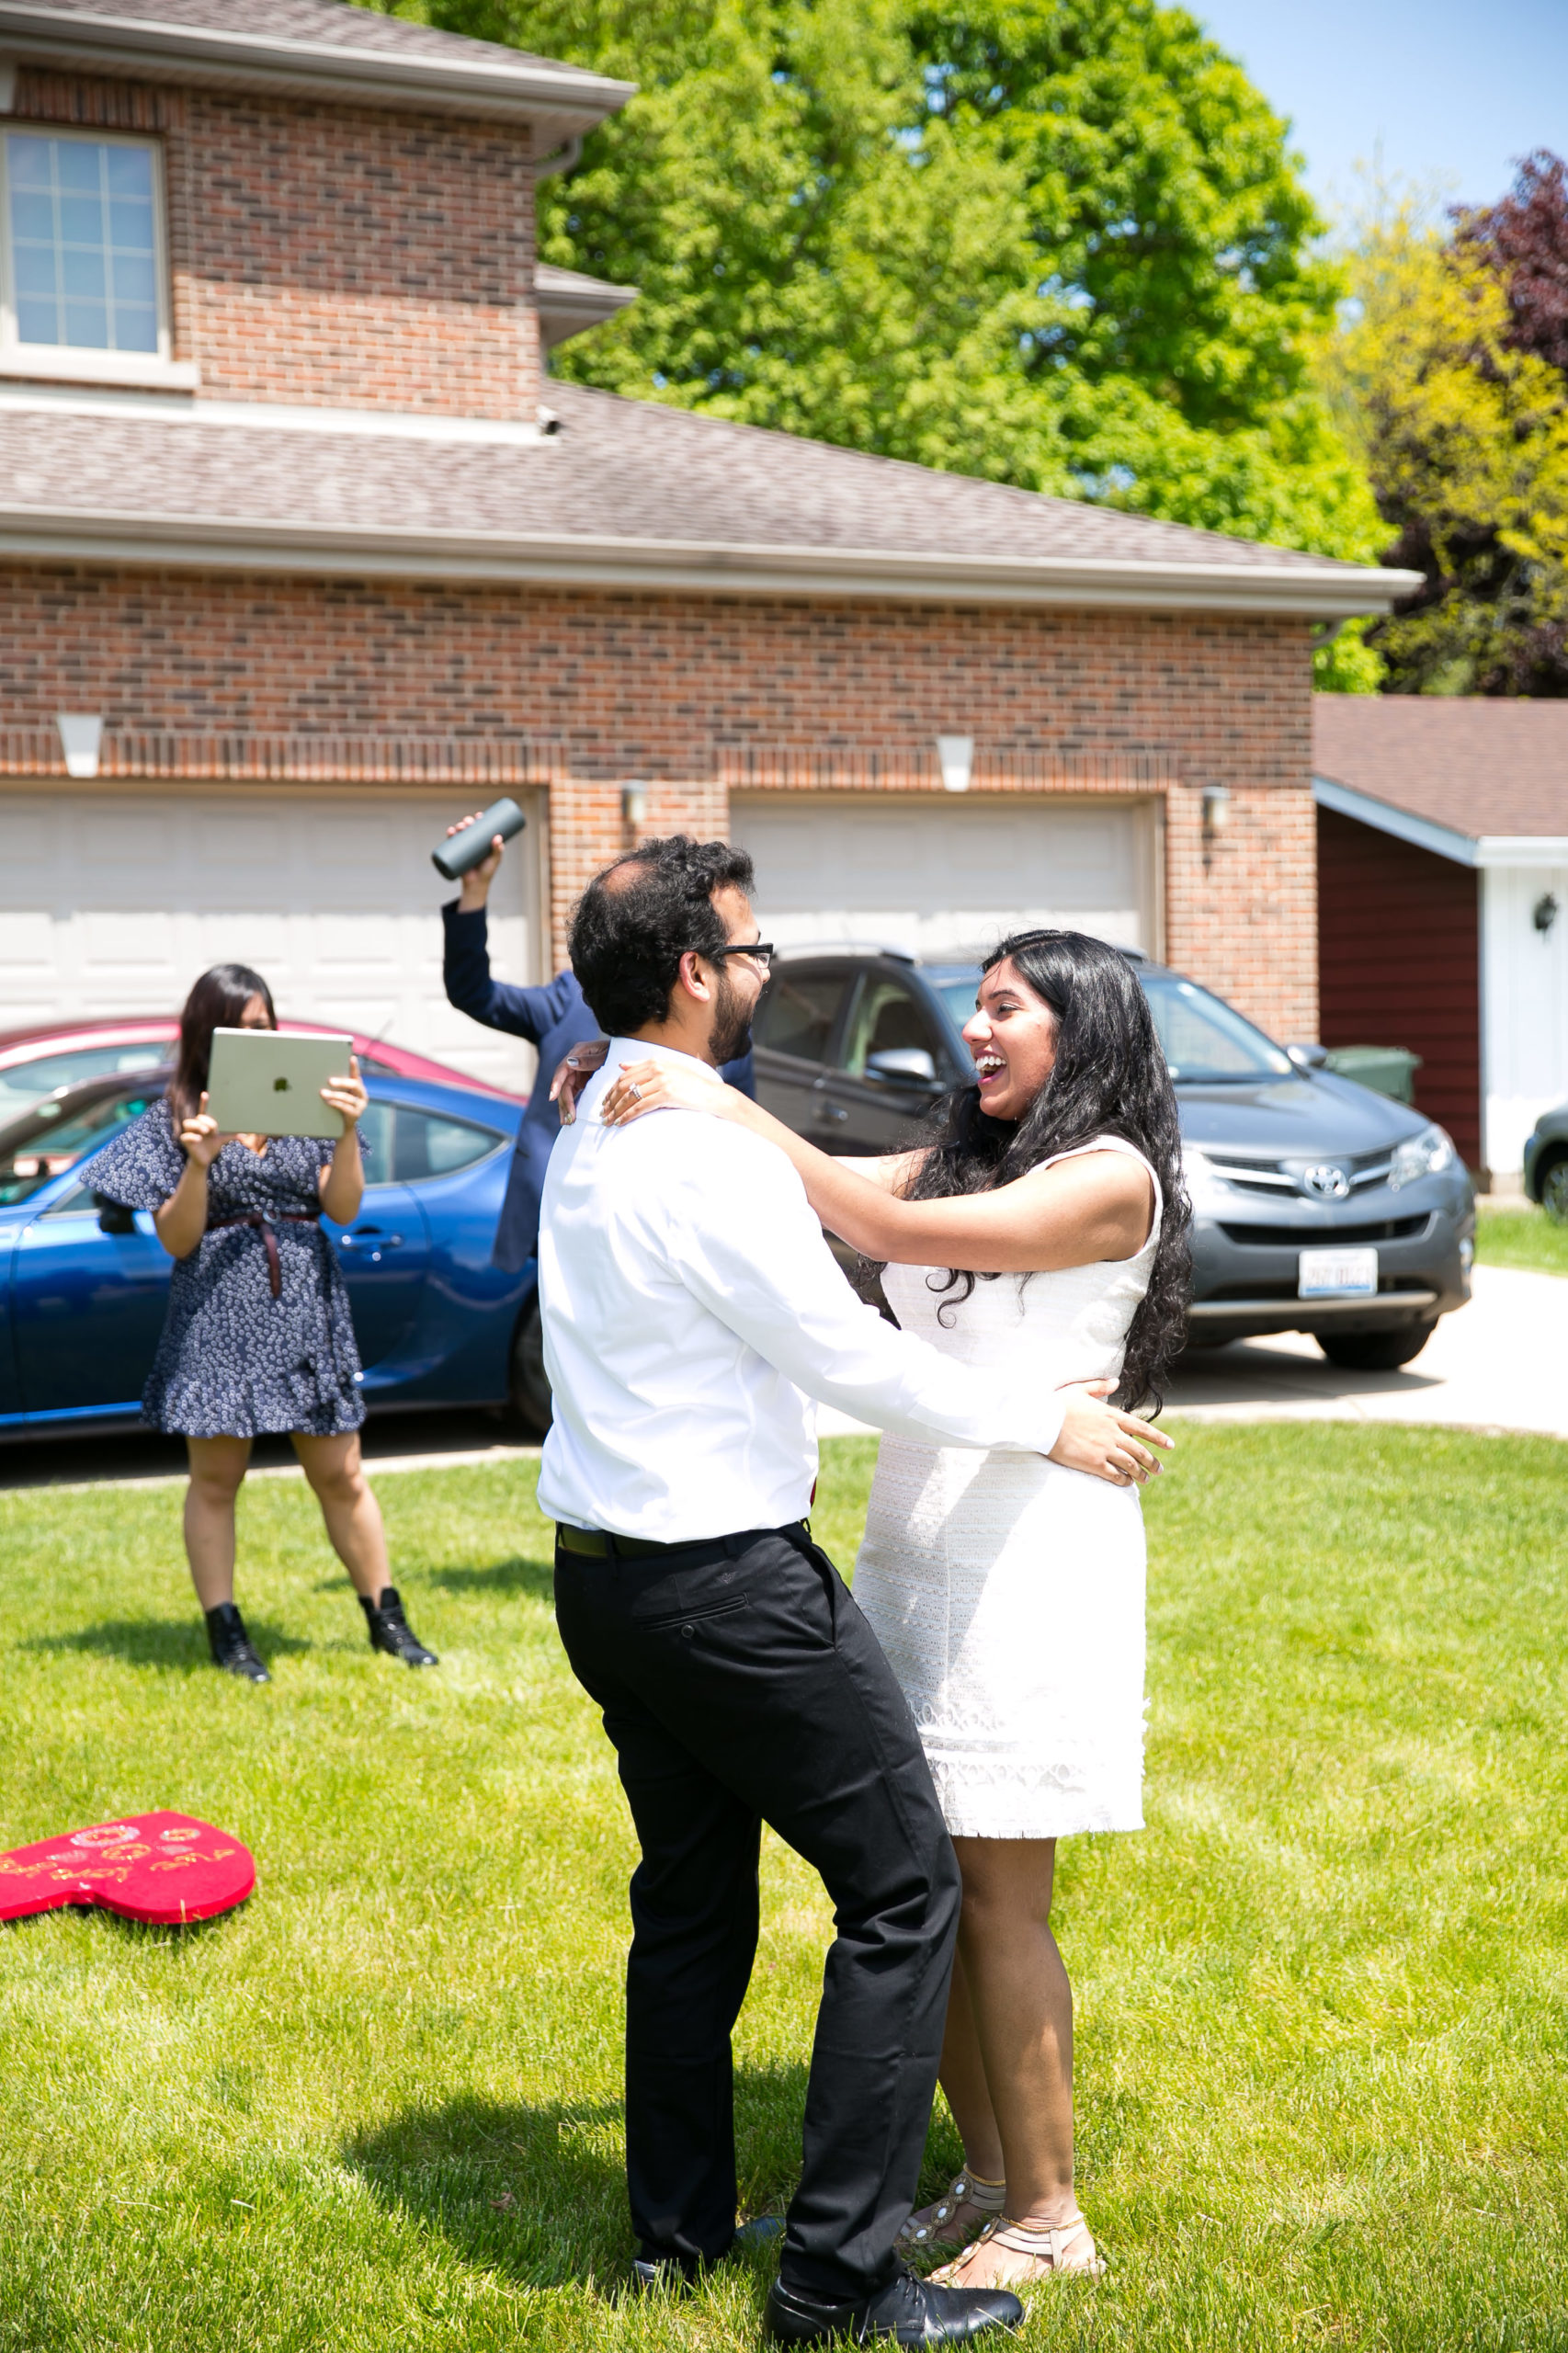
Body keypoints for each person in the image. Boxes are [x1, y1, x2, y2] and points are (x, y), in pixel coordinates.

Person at [536, 840, 1169, 2348]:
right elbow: (848, 1344)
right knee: (903, 1890)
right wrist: (1042, 1418)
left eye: (1012, 1001)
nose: (766, 975)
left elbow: (843, 1235)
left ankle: (678, 2241)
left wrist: (705, 1098)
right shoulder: (674, 1133)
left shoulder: (609, 1121)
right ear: (696, 973)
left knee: (691, 1909)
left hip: (612, 1582)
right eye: (752, 956)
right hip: (729, 1589)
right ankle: (836, 2281)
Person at [86, 963, 438, 1684]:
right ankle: (226, 1630)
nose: (258, 1038)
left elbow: (341, 1209)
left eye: (265, 1025)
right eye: (242, 1028)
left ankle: (387, 1619)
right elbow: (177, 1240)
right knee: (217, 1478)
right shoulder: (174, 1116)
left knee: (340, 1472)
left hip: (305, 1306)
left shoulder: (299, 1107)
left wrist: (345, 1132)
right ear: (204, 1033)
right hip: (217, 1309)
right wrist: (197, 1163)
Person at [438, 810, 756, 1279]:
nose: (763, 969)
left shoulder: (722, 1029)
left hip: (661, 1243)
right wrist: (475, 892)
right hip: (554, 1220)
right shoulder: (566, 1000)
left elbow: (744, 1137)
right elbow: (474, 993)